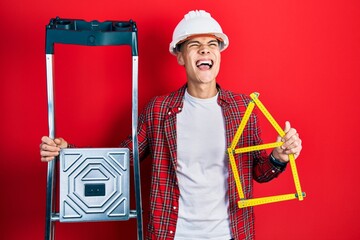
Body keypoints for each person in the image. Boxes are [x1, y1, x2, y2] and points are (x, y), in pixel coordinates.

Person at [40, 10, 302, 240]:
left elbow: (259, 172)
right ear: (180, 56)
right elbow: (124, 161)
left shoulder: (243, 109)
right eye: (194, 45)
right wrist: (68, 152)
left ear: (219, 54)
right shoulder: (159, 109)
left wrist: (279, 156)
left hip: (230, 233)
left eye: (212, 44)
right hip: (172, 233)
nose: (205, 50)